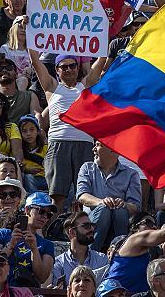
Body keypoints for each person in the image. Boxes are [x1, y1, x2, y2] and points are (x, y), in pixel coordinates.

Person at [29, 49, 105, 212]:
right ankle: (50, 231)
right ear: (57, 70)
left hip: (84, 144)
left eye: (72, 66)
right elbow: (36, 61)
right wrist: (30, 30)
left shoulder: (86, 85)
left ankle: (87, 232)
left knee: (86, 195)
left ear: (78, 68)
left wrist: (104, 32)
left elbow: (101, 60)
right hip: (58, 145)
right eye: (64, 67)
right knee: (57, 196)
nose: (69, 69)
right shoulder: (51, 87)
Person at [77, 140, 141, 251]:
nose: (93, 149)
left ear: (113, 150)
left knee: (120, 209)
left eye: (98, 145)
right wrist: (102, 202)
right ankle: (90, 255)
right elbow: (82, 195)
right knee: (104, 210)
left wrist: (124, 204)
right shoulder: (87, 168)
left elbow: (135, 206)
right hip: (93, 221)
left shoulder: (131, 174)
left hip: (119, 221)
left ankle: (120, 254)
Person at [0, 191, 56, 286]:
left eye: (49, 215)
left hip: (29, 292)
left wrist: (34, 249)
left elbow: (42, 278)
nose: (44, 217)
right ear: (27, 210)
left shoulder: (47, 244)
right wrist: (11, 245)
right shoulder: (1, 234)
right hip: (2, 291)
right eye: (41, 211)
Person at [52, 211, 108, 286]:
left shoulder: (102, 259)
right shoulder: (58, 263)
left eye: (92, 225)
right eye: (86, 226)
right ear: (72, 232)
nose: (91, 229)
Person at [18, 114, 47, 192]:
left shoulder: (46, 148)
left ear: (37, 131)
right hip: (31, 180)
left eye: (31, 130)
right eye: (24, 131)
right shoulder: (19, 151)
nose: (28, 134)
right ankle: (33, 199)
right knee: (28, 177)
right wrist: (27, 170)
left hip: (47, 179)